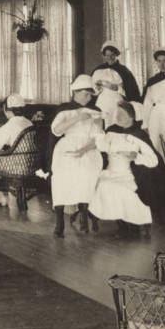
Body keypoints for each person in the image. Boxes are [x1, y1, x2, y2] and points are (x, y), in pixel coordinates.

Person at [88, 101, 161, 238]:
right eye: (117, 113)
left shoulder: (139, 134)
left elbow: (153, 160)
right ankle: (121, 225)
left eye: (122, 114)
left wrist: (136, 156)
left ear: (132, 116)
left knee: (118, 187)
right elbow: (102, 146)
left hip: (130, 173)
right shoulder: (111, 130)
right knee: (103, 184)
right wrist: (98, 130)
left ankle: (132, 225)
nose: (118, 116)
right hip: (110, 171)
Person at [50, 74, 105, 237]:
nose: (88, 98)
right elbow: (56, 131)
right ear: (75, 92)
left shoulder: (95, 112)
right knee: (61, 179)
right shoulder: (64, 109)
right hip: (66, 148)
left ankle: (84, 217)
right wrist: (77, 118)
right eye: (85, 94)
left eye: (90, 95)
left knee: (86, 176)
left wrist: (83, 150)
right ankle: (59, 222)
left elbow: (99, 136)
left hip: (88, 149)